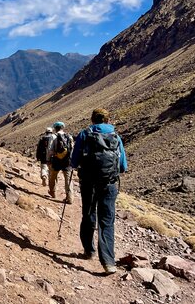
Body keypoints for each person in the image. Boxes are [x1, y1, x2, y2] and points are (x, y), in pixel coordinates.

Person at [71, 108, 127, 274]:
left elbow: (74, 161)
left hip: (88, 182)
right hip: (109, 184)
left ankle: (89, 250)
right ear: (108, 120)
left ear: (93, 119)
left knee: (88, 214)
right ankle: (109, 262)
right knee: (107, 220)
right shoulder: (116, 136)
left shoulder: (85, 134)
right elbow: (123, 166)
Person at [49, 121, 74, 203]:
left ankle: (52, 192)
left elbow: (50, 150)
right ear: (62, 127)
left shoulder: (53, 136)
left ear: (55, 128)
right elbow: (72, 148)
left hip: (56, 160)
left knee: (53, 176)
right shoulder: (69, 136)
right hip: (67, 161)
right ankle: (70, 198)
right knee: (68, 179)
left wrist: (50, 159)